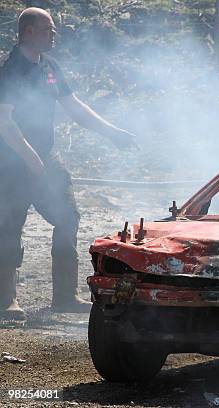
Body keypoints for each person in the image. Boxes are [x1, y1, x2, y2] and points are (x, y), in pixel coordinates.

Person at [0, 7, 136, 319]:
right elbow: (4, 122)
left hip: (45, 159)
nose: (54, 35)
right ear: (30, 31)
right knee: (8, 226)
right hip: (10, 163)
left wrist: (112, 133)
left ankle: (64, 296)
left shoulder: (49, 67)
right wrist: (29, 156)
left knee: (68, 218)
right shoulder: (9, 69)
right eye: (48, 29)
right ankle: (6, 300)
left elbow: (74, 106)